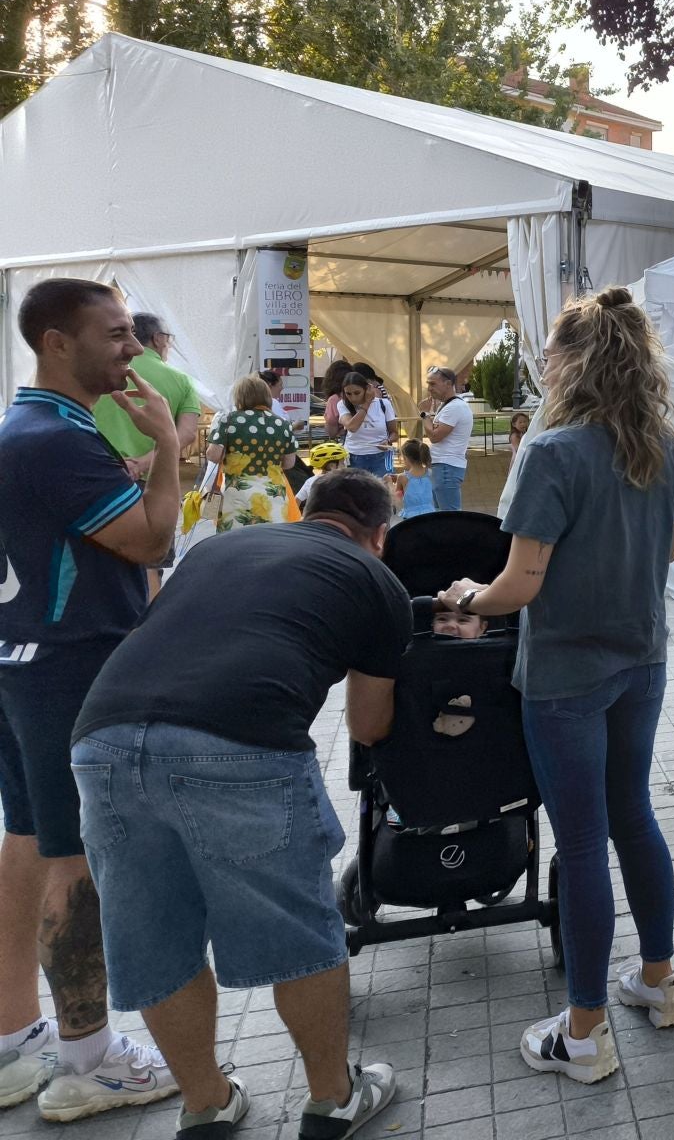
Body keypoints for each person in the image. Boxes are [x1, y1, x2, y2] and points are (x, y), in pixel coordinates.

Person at [70, 468, 408, 1140]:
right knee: (300, 931)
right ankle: (333, 1098)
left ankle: (206, 1104)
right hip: (239, 742)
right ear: (378, 535)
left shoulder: (219, 548)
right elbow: (369, 725)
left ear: (304, 510)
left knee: (155, 938)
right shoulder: (376, 580)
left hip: (102, 740)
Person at [433, 286, 674, 1085]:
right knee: (633, 819)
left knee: (582, 846)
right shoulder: (666, 444)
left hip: (567, 676)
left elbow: (519, 585)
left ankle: (583, 1032)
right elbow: (671, 550)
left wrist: (466, 593)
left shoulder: (552, 451)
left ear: (571, 363)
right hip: (641, 661)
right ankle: (658, 982)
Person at [0, 279, 182, 1119]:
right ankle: (90, 1056)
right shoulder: (58, 439)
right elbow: (155, 540)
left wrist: (123, 475)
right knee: (74, 859)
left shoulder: (24, 428)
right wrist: (168, 454)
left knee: (28, 841)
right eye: (113, 334)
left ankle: (13, 1042)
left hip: (20, 657)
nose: (132, 349)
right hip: (72, 668)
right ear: (55, 342)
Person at [90, 311, 202, 482]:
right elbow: (187, 433)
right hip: (152, 480)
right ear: (157, 338)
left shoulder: (96, 372)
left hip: (96, 473)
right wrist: (141, 464)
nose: (169, 345)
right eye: (168, 339)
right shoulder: (182, 380)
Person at [204, 374, 299, 531]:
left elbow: (213, 455)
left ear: (239, 397)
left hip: (237, 494)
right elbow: (289, 463)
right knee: (270, 541)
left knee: (236, 542)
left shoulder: (228, 420)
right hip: (272, 495)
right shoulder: (282, 424)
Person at [419, 367, 474, 511]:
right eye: (428, 384)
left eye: (433, 384)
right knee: (442, 516)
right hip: (443, 466)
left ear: (448, 384)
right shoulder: (448, 405)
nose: (429, 388)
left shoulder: (455, 407)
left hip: (446, 467)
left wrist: (424, 414)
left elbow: (435, 436)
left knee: (450, 517)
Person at [338, 372, 397, 475]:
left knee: (382, 489)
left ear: (367, 389)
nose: (353, 398)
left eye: (357, 393)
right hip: (354, 456)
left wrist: (388, 441)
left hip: (381, 456)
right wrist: (367, 403)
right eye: (348, 394)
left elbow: (394, 433)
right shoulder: (342, 404)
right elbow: (352, 427)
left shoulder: (384, 404)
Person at [392, 440, 435, 521]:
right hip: (430, 515)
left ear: (405, 458)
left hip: (410, 519)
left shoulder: (402, 478)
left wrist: (389, 482)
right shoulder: (430, 473)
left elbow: (397, 498)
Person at [298, 443, 348, 510]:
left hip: (313, 518)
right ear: (332, 466)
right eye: (342, 463)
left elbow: (296, 501)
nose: (345, 465)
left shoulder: (310, 481)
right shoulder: (341, 482)